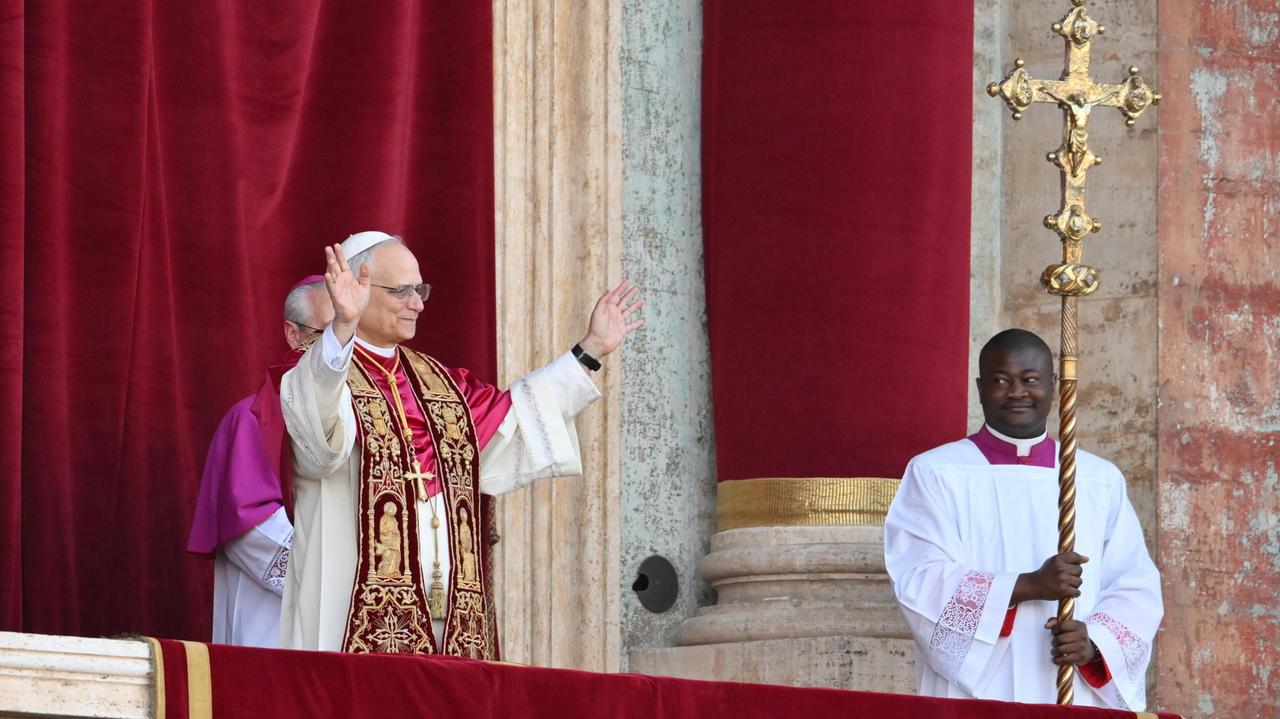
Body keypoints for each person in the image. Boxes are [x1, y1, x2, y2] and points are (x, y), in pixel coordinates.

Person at [279, 231, 643, 657]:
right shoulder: (318, 370)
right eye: (402, 291)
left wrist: (590, 349)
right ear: (357, 288)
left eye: (420, 290)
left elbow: (513, 417)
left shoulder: (441, 383)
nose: (417, 303)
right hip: (349, 614)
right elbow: (319, 440)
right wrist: (341, 327)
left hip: (447, 617)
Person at [884, 329, 1162, 710]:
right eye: (1001, 381)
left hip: (1069, 686)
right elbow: (918, 579)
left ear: (1053, 385)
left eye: (1030, 380)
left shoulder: (1097, 479)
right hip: (977, 692)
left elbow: (1136, 584)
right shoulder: (936, 473)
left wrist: (1095, 643)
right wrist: (1026, 585)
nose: (1017, 392)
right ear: (980, 388)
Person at [187, 276, 334, 647]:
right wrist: (334, 576)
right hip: (271, 618)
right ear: (294, 335)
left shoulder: (372, 417)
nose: (341, 353)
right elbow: (249, 528)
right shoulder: (254, 418)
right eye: (328, 335)